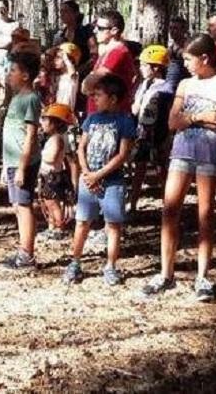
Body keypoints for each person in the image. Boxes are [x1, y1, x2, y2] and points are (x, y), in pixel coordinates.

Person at [141, 34, 216, 302]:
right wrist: (199, 116)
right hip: (181, 150)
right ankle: (165, 273)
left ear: (205, 58)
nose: (187, 65)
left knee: (206, 214)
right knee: (170, 209)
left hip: (209, 152)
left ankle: (203, 276)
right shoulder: (184, 83)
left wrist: (189, 119)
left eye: (190, 59)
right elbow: (172, 122)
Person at [64, 75, 137, 286]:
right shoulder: (91, 119)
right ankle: (75, 262)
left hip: (112, 182)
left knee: (113, 225)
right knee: (82, 222)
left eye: (99, 94)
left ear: (113, 98)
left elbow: (122, 154)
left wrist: (99, 175)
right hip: (89, 180)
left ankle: (111, 266)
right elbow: (81, 147)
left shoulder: (124, 121)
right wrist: (87, 173)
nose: (94, 98)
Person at [0, 51, 44, 270]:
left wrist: (22, 168)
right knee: (18, 206)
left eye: (13, 70)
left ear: (26, 75)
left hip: (23, 163)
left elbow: (30, 136)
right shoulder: (16, 98)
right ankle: (22, 251)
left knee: (24, 206)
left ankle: (27, 255)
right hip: (13, 162)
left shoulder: (31, 99)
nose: (9, 74)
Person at [130, 45, 172, 213]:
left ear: (156, 67)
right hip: (142, 132)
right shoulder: (143, 85)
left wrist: (167, 136)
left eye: (144, 65)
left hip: (158, 133)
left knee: (161, 168)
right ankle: (132, 203)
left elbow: (167, 112)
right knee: (139, 167)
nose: (140, 68)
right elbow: (135, 108)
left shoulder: (165, 89)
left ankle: (168, 203)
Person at [82, 10, 138, 113]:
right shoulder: (108, 51)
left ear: (114, 30)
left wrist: (89, 82)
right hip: (100, 117)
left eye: (100, 28)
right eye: (95, 27)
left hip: (110, 119)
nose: (95, 31)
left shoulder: (118, 52)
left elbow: (89, 83)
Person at [38, 103, 76, 241]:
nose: (42, 123)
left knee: (54, 204)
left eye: (45, 120)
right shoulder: (52, 139)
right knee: (48, 203)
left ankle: (59, 228)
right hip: (47, 176)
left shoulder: (57, 140)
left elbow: (52, 157)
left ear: (54, 123)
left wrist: (39, 155)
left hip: (52, 176)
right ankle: (51, 226)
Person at [50, 0, 93, 71]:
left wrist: (81, 69)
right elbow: (54, 56)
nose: (62, 14)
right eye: (61, 11)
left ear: (75, 13)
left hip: (84, 73)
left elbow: (94, 55)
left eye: (66, 11)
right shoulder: (59, 36)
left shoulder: (86, 32)